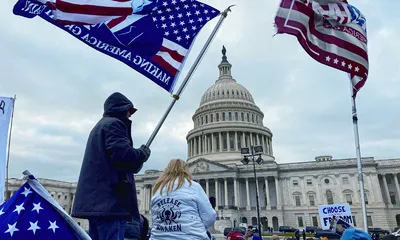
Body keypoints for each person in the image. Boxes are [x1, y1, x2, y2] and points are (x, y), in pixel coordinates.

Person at [72, 92, 151, 240]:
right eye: (129, 111)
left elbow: (117, 161)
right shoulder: (115, 124)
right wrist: (142, 153)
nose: (130, 115)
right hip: (111, 202)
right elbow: (122, 156)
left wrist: (136, 161)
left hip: (99, 203)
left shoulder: (99, 127)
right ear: (122, 109)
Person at [149, 159, 216, 239]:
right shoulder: (194, 186)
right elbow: (210, 217)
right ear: (186, 170)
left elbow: (155, 219)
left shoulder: (157, 190)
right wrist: (195, 227)